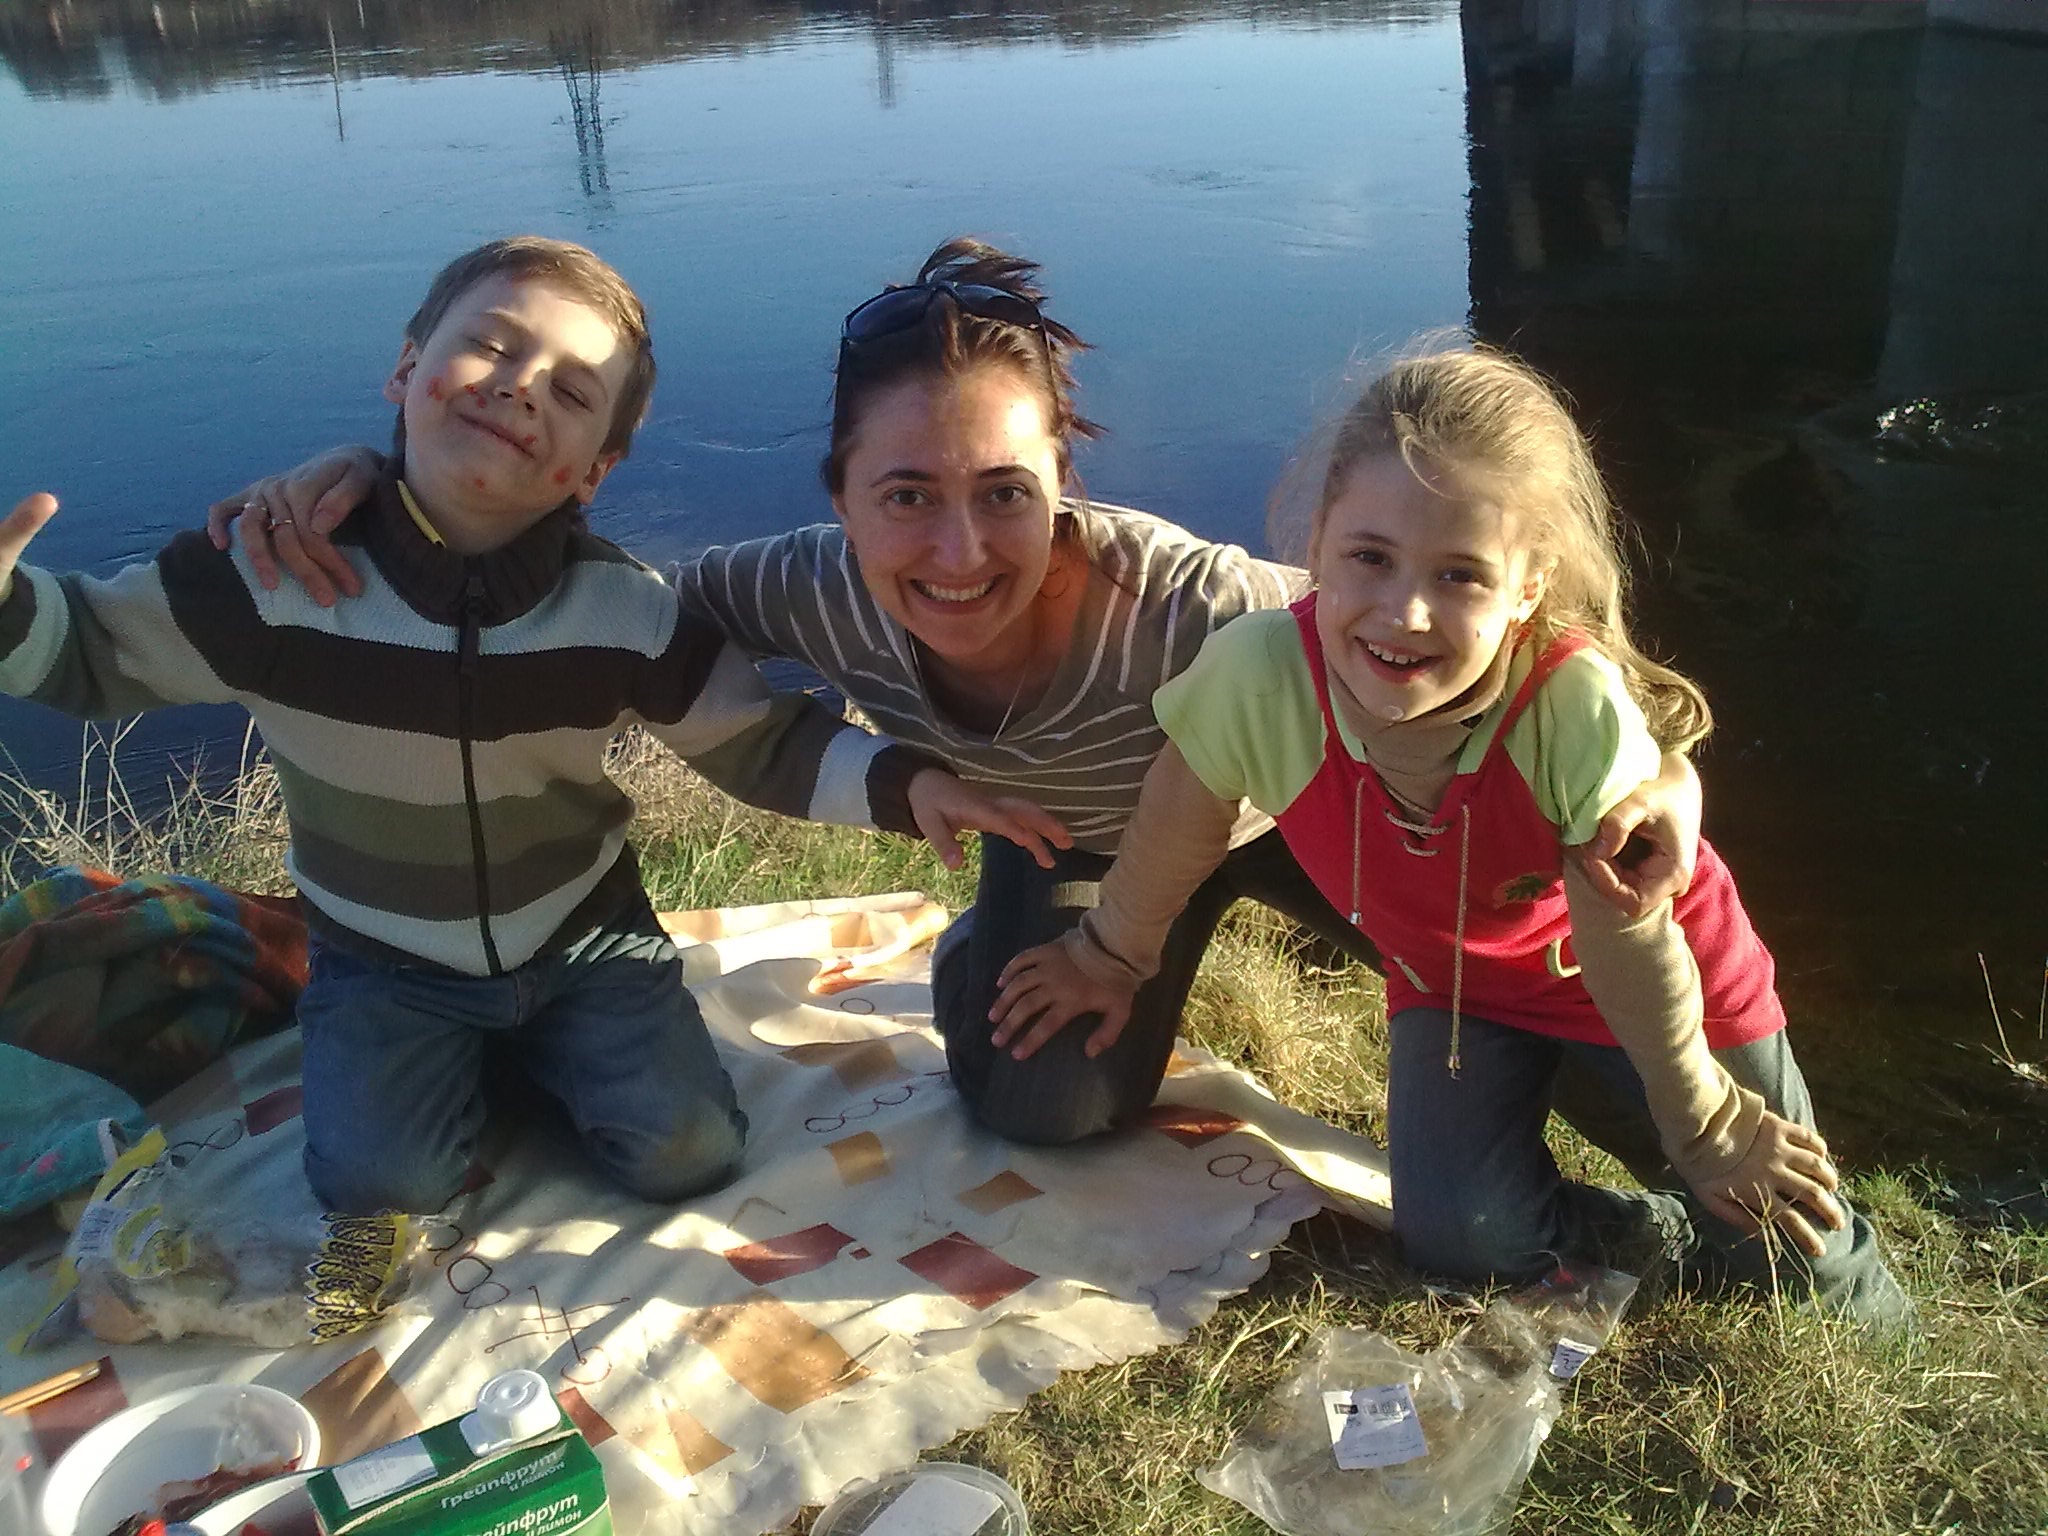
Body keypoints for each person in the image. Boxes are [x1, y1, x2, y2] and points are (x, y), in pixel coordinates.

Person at [204, 239, 1704, 1150]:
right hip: (1079, 850)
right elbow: (580, 593)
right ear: (838, 496)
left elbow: (1468, 623)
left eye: (1004, 493)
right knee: (1045, 1111)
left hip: (1305, 814)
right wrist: (383, 493)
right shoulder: (799, 588)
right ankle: (986, 958)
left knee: (1579, 1032)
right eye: (905, 495)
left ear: (1066, 482)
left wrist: (1661, 782)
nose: (959, 551)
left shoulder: (1192, 602)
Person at [0, 235, 1065, 1217]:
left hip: (581, 938)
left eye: (571, 391)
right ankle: (459, 1062)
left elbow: (758, 738)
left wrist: (908, 784)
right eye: (493, 347)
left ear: (596, 467)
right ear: (407, 366)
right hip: (381, 957)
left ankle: (530, 1054)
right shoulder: (278, 576)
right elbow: (91, 649)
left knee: (690, 1152)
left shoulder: (621, 610)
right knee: (379, 1187)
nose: (520, 387)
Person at [989, 344, 1904, 1321]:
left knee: (1801, 1257)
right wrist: (1110, 955)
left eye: (1460, 575)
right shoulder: (1259, 675)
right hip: (1459, 990)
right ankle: (1657, 1232)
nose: (1405, 613)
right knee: (1461, 1243)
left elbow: (1628, 941)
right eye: (1369, 557)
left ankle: (1865, 1318)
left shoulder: (1569, 707)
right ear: (1318, 542)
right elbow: (1180, 815)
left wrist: (1705, 1123)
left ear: (1527, 587)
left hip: (1655, 981)